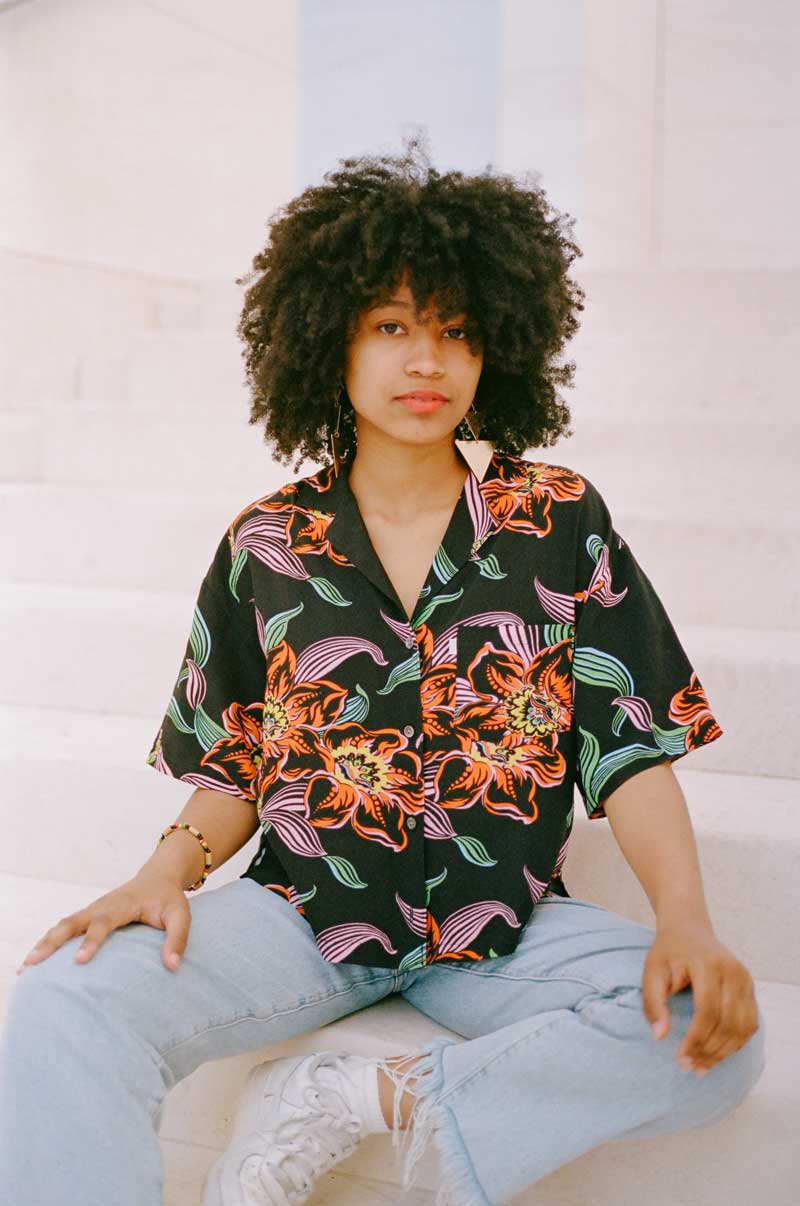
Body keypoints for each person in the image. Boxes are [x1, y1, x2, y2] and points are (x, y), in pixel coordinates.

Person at [0, 135, 766, 1206]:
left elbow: (630, 744)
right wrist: (162, 873)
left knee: (711, 1036)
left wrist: (684, 918)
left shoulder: (556, 520)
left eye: (456, 331)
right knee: (63, 1000)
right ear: (329, 339)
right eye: (393, 326)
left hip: (502, 930)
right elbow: (233, 758)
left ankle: (360, 1099)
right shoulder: (267, 543)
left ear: (499, 347)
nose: (428, 361)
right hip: (302, 919)